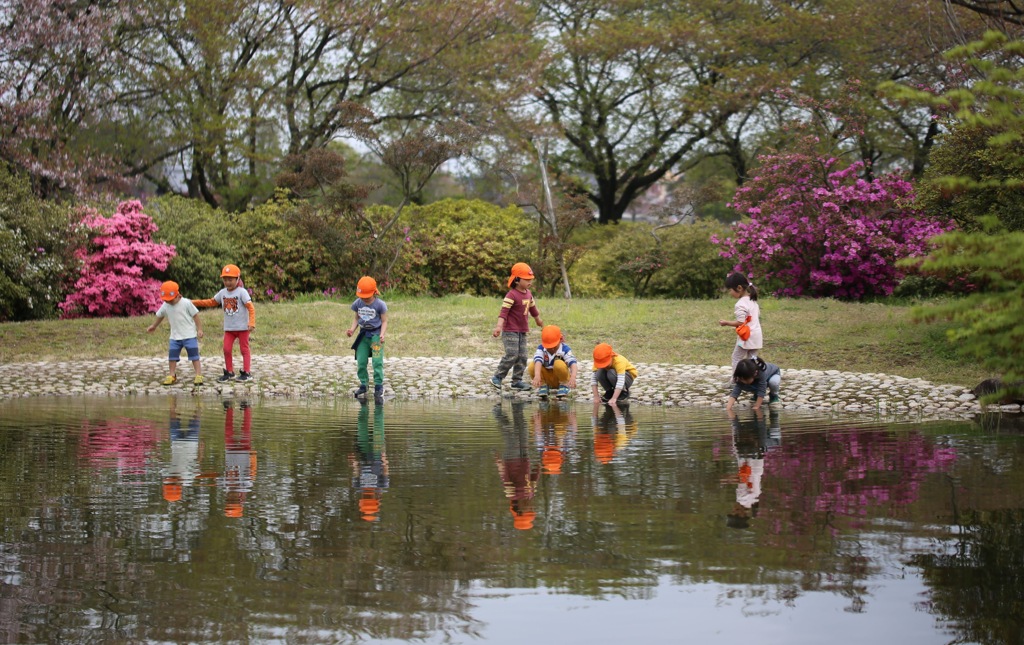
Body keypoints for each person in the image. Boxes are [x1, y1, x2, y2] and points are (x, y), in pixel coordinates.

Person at [193, 264, 256, 383]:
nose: (228, 282)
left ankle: (247, 372)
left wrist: (251, 322)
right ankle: (229, 372)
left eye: (230, 280)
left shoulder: (242, 292)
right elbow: (211, 302)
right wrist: (194, 302)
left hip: (243, 328)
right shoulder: (222, 293)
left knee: (244, 349)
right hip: (229, 329)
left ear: (237, 279)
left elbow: (251, 308)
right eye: (225, 280)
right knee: (226, 349)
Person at [491, 262, 543, 392]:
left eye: (531, 279)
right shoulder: (511, 295)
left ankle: (517, 380)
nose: (530, 282)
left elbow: (533, 308)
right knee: (512, 354)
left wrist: (537, 319)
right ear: (517, 280)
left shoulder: (528, 294)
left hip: (522, 330)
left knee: (523, 356)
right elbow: (503, 312)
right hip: (510, 331)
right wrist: (498, 327)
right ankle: (497, 377)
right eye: (527, 279)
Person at [147, 281, 204, 386]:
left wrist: (199, 329)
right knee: (172, 357)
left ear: (178, 295)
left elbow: (195, 315)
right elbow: (160, 316)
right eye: (166, 300)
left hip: (189, 336)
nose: (168, 302)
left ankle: (198, 375)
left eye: (170, 300)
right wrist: (154, 326)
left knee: (194, 356)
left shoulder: (186, 303)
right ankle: (172, 375)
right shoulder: (166, 305)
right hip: (174, 337)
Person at [345, 276, 388, 404]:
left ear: (374, 293)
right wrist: (352, 330)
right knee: (361, 361)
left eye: (367, 297)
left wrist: (382, 334)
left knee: (377, 361)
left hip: (375, 337)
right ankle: (364, 384)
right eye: (362, 296)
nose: (364, 299)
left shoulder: (380, 305)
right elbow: (356, 319)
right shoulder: (358, 303)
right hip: (363, 336)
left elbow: (384, 321)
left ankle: (379, 386)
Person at [350, 400, 389, 522]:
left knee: (362, 427)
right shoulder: (381, 486)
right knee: (377, 427)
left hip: (363, 455)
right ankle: (377, 408)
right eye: (368, 498)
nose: (367, 496)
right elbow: (386, 471)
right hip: (377, 455)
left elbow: (356, 471)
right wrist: (384, 458)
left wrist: (354, 462)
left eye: (366, 498)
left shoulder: (358, 486)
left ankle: (365, 407)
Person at [718, 272, 762, 371]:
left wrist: (726, 323)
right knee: (752, 360)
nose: (730, 293)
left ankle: (736, 379)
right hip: (757, 335)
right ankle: (752, 380)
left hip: (747, 336)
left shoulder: (740, 304)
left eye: (730, 290)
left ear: (739, 288)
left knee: (736, 357)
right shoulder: (753, 300)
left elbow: (740, 322)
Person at [531, 325, 579, 399]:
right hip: (548, 379)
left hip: (559, 378)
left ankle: (564, 385)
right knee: (532, 366)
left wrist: (573, 377)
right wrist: (537, 375)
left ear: (560, 339)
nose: (552, 348)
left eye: (554, 345)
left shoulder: (565, 349)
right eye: (549, 346)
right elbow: (538, 360)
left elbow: (573, 363)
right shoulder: (541, 348)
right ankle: (543, 385)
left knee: (558, 364)